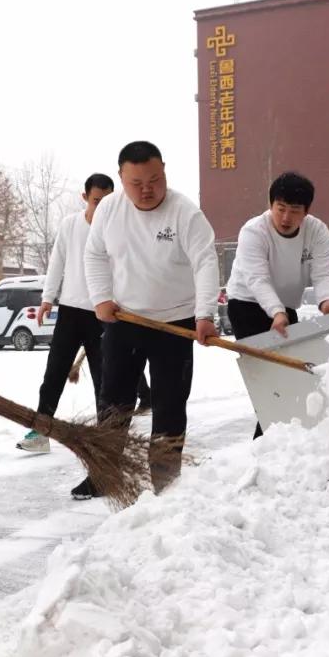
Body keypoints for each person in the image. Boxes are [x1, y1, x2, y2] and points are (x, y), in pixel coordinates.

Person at [84, 141, 219, 493]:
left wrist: (204, 313)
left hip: (174, 323)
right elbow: (95, 255)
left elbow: (205, 261)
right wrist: (100, 298)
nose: (147, 190)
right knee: (113, 401)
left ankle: (165, 479)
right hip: (124, 320)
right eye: (136, 183)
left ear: (164, 172)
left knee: (170, 404)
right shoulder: (109, 210)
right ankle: (105, 472)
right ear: (121, 178)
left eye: (154, 180)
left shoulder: (185, 214)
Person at [16, 173, 114, 500]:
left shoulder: (115, 226)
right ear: (84, 197)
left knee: (105, 381)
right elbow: (57, 261)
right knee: (55, 371)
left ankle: (105, 442)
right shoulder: (71, 226)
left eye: (108, 201)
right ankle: (41, 430)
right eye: (97, 200)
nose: (102, 207)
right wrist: (47, 298)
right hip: (71, 311)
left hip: (102, 313)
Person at [225, 171, 329, 438]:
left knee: (292, 374)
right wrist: (275, 311)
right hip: (247, 303)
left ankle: (281, 442)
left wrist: (327, 301)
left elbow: (322, 273)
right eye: (281, 208)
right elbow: (257, 279)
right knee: (270, 379)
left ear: (306, 211)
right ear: (271, 204)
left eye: (295, 210)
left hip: (286, 307)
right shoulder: (254, 231)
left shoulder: (317, 231)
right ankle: (264, 444)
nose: (286, 218)